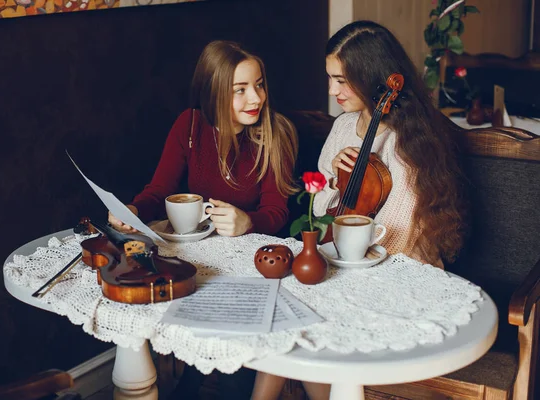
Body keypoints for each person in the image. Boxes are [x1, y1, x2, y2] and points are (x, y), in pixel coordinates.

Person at [251, 20, 468, 400]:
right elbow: (320, 209)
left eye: (342, 81)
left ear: (373, 77)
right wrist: (336, 179)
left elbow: (399, 232)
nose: (332, 91)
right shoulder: (344, 127)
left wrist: (339, 261)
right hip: (346, 258)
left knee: (299, 324)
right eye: (330, 79)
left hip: (400, 273)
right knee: (282, 319)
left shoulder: (410, 140)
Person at [108, 40, 299, 400]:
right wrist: (132, 211)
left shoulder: (277, 132)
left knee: (230, 363)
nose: (255, 98)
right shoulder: (190, 126)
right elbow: (157, 191)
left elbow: (278, 212)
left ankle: (201, 387)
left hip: (255, 267)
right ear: (213, 93)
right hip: (204, 260)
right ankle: (192, 385)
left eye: (258, 84)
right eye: (239, 90)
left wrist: (248, 222)